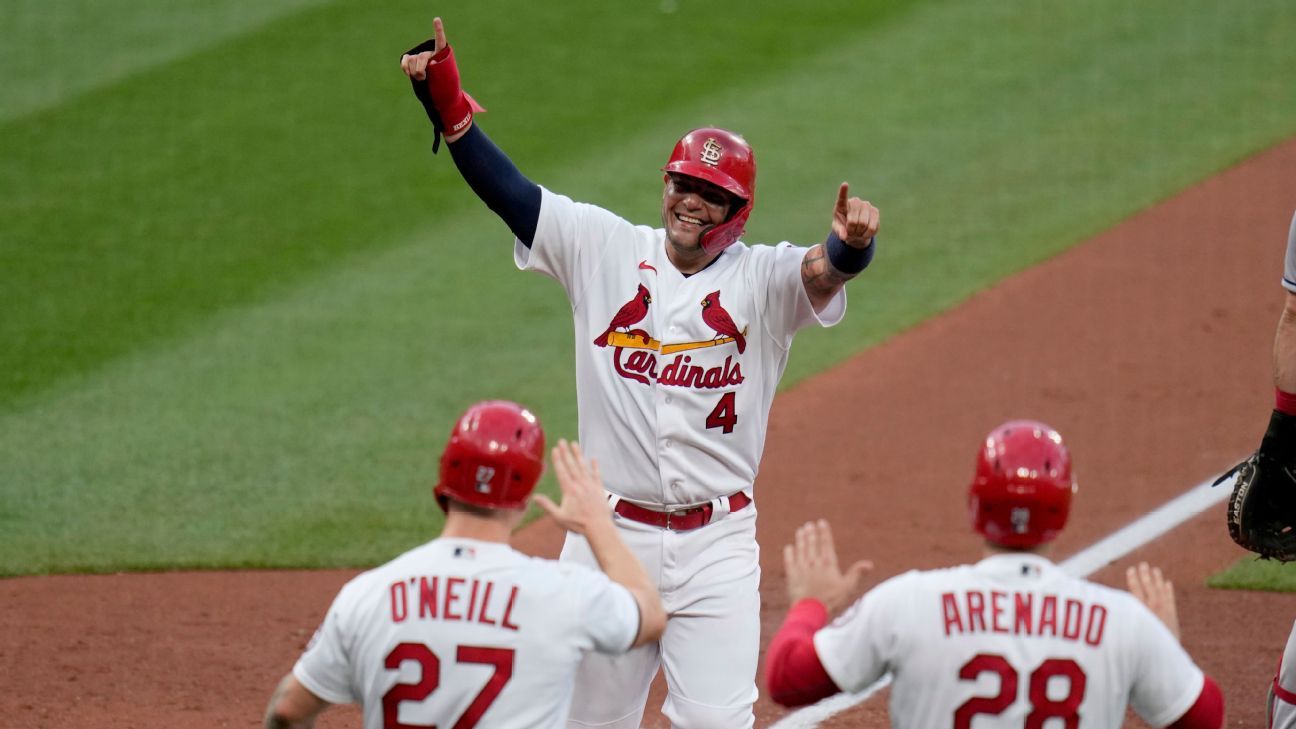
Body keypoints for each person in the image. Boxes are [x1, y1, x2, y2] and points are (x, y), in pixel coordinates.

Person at [399, 17, 881, 729]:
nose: (691, 200)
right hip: (606, 536)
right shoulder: (604, 248)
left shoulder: (767, 281)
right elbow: (513, 195)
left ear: (737, 212)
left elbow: (827, 267)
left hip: (718, 545)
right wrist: (455, 117)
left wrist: (851, 244)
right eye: (684, 182)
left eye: (710, 193)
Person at [765, 420, 1225, 729]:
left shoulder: (907, 602)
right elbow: (1205, 719)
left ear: (975, 505)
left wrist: (812, 604)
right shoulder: (1124, 621)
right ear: (1063, 510)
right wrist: (1166, 647)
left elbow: (787, 679)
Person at [262, 401, 666, 729]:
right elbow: (648, 615)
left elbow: (287, 710)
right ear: (526, 493)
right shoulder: (560, 595)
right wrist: (597, 525)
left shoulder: (368, 595)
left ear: (444, 478)